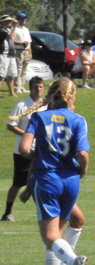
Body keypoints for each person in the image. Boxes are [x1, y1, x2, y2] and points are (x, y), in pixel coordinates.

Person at [19, 78, 89, 265]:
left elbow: (23, 148)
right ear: (71, 96)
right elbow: (83, 153)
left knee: (50, 237)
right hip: (71, 179)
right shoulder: (78, 119)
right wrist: (82, 171)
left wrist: (39, 154)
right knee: (57, 235)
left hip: (48, 178)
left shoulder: (39, 117)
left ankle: (73, 261)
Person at [2, 77, 46, 222]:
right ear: (31, 88)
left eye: (41, 87)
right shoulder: (21, 105)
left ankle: (44, 212)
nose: (38, 90)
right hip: (23, 151)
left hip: (41, 151)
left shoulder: (46, 105)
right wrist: (28, 135)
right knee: (18, 183)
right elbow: (11, 125)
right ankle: (7, 212)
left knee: (42, 181)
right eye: (36, 87)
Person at [13, 12, 31, 94]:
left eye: (24, 19)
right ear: (18, 20)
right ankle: (17, 87)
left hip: (26, 51)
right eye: (22, 19)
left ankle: (22, 87)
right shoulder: (15, 29)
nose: (24, 20)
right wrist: (21, 43)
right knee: (18, 70)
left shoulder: (26, 29)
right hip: (18, 50)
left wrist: (30, 53)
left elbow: (29, 42)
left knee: (24, 70)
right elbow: (12, 40)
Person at [0, 15, 18, 96]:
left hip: (11, 54)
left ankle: (12, 92)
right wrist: (14, 26)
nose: (9, 23)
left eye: (9, 21)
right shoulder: (1, 30)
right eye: (7, 21)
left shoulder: (8, 30)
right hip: (3, 54)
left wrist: (13, 27)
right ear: (2, 22)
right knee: (1, 74)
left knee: (11, 74)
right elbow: (11, 37)